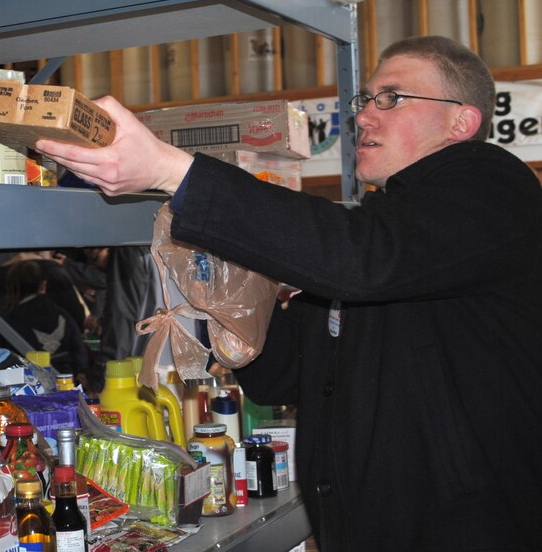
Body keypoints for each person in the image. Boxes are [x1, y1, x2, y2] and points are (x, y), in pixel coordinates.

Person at [36, 36, 542, 550]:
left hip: (471, 527)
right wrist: (235, 293)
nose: (365, 117)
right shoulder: (390, 231)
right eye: (364, 100)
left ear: (463, 121)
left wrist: (174, 172)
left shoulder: (493, 187)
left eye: (391, 98)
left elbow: (361, 259)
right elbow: (281, 376)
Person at [3, 259, 90, 383]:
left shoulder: (11, 319)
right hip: (68, 380)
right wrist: (80, 372)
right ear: (43, 285)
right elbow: (78, 347)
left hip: (31, 383)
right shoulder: (61, 313)